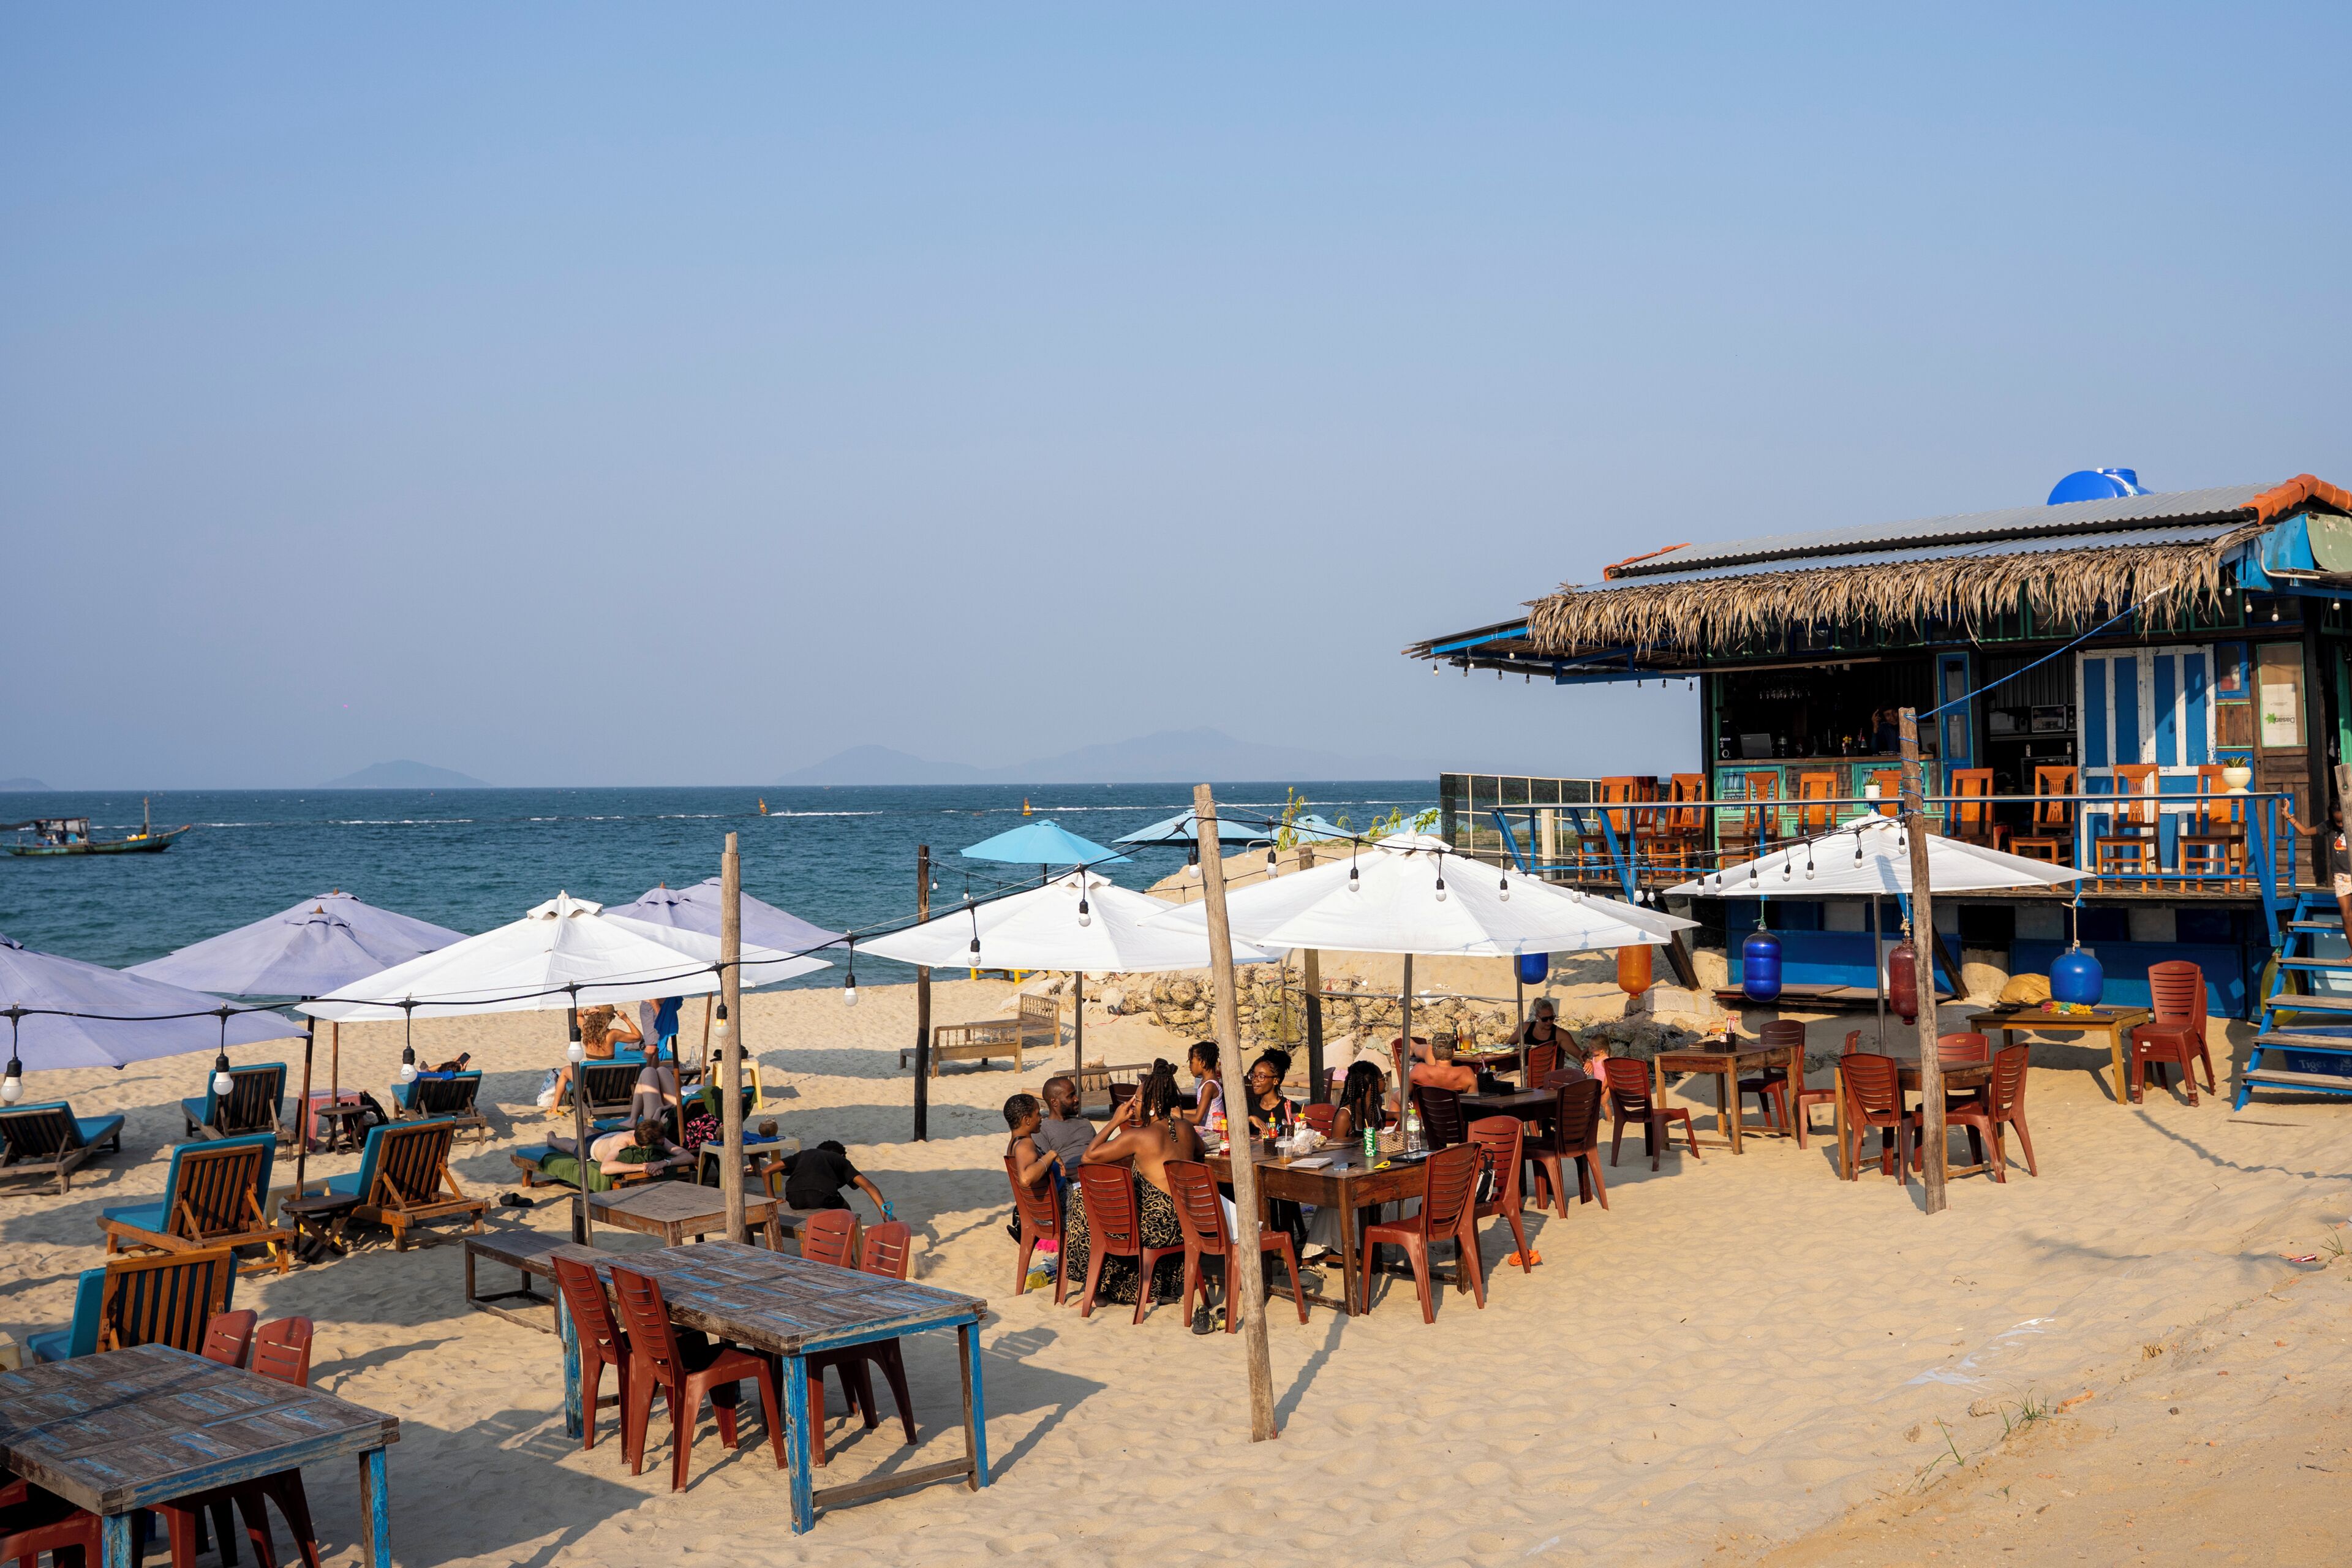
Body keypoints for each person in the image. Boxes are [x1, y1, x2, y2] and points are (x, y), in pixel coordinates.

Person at [1061, 1060, 1198, 1315]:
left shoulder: (1139, 1136)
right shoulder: (1186, 1127)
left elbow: (1089, 1156)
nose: (1132, 1105)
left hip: (1155, 1228)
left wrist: (1114, 1121)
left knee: (1085, 1206)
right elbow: (1199, 1151)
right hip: (1181, 1220)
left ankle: (1098, 1291)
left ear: (1153, 1105)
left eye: (1136, 1100)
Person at [775, 1139, 889, 1218]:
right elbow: (870, 1187)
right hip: (822, 1197)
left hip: (794, 1199)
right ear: (842, 1155)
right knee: (846, 1210)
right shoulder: (839, 1159)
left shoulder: (804, 1154)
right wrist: (885, 1215)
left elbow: (767, 1171)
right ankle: (846, 1243)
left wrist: (773, 1199)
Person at [2286, 799, 2352, 935]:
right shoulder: (2328, 826)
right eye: (2337, 821)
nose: (2340, 825)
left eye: (2342, 821)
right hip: (2341, 875)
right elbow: (2305, 832)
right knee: (2346, 916)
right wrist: (2288, 815)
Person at [1033, 1074, 1096, 1171]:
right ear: (1054, 1102)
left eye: (1075, 1094)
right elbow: (1046, 1165)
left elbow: (1099, 1150)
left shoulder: (1085, 1123)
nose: (1077, 1099)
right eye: (1071, 1096)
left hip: (1098, 1170)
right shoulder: (1042, 1129)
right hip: (1072, 1178)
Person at [1003, 1093, 1055, 1188]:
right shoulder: (1026, 1143)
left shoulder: (1012, 1145)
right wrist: (1051, 1155)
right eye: (1038, 1113)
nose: (1041, 1117)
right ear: (1027, 1119)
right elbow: (1025, 1179)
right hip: (1059, 1200)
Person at [1241, 1050, 1296, 1137]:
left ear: (1275, 1081)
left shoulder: (1289, 1108)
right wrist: (1250, 1119)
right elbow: (1227, 1124)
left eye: (1261, 1077)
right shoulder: (1249, 1106)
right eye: (1253, 1076)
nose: (1255, 1080)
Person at [1177, 1041, 1224, 1131]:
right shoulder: (1206, 1083)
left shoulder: (1209, 1086)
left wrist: (1179, 1115)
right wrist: (1180, 1112)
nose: (1190, 1067)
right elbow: (1200, 1111)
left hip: (1214, 1133)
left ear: (1203, 1063)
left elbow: (1197, 1118)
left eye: (1191, 1063)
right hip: (1208, 1130)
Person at [1409, 1037, 1478, 1096]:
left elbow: (1404, 1095)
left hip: (1425, 1111)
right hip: (1455, 1111)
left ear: (1432, 1052)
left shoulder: (1419, 1070)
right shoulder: (1467, 1073)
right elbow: (1474, 1101)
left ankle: (1414, 1046)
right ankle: (1414, 1046)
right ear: (1453, 1052)